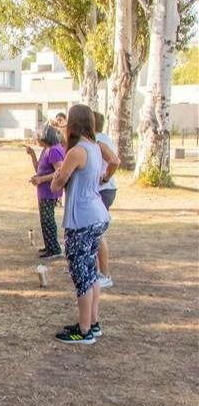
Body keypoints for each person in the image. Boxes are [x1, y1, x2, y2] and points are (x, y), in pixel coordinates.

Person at [51, 104, 118, 345]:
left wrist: (59, 174)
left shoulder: (77, 151)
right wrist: (105, 178)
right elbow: (115, 161)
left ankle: (83, 329)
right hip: (97, 215)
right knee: (91, 273)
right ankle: (93, 322)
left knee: (81, 274)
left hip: (82, 219)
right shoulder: (96, 147)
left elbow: (57, 185)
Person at [26, 125, 65, 259]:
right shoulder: (46, 150)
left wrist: (41, 179)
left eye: (38, 137)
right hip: (43, 190)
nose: (36, 139)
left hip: (49, 191)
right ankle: (49, 246)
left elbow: (59, 172)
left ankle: (54, 249)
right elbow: (39, 169)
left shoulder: (54, 151)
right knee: (45, 220)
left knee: (48, 219)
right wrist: (32, 155)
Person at [93, 112, 118, 288]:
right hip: (103, 190)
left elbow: (114, 161)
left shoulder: (99, 141)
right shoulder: (102, 138)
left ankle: (105, 274)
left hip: (104, 190)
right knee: (94, 232)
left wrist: (106, 177)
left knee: (98, 232)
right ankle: (95, 271)